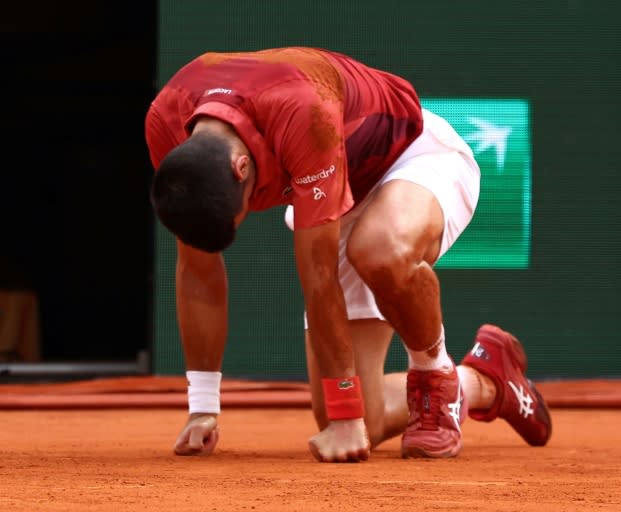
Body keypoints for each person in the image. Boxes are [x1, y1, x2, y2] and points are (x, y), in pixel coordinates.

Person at [145, 46, 552, 462]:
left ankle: (434, 376)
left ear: (241, 168)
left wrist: (345, 416)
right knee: (364, 420)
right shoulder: (166, 123)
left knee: (378, 249)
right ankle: (485, 379)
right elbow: (197, 271)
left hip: (410, 159)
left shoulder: (303, 111)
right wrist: (202, 407)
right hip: (338, 191)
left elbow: (319, 278)